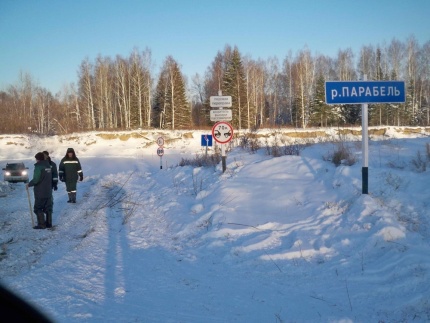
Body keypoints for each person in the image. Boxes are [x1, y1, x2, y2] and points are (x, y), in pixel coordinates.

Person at [26, 152, 52, 229]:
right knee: (47, 207)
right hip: (48, 190)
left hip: (40, 191)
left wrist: (29, 184)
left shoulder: (39, 167)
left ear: (37, 159)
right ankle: (48, 223)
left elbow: (36, 180)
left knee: (38, 208)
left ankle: (41, 224)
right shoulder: (48, 165)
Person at [43, 151, 58, 228]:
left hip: (49, 186)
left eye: (45, 155)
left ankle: (49, 222)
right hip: (41, 186)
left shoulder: (52, 164)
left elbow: (55, 174)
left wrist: (55, 183)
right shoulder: (40, 164)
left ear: (48, 156)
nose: (44, 157)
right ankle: (43, 221)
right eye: (43, 155)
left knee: (49, 202)